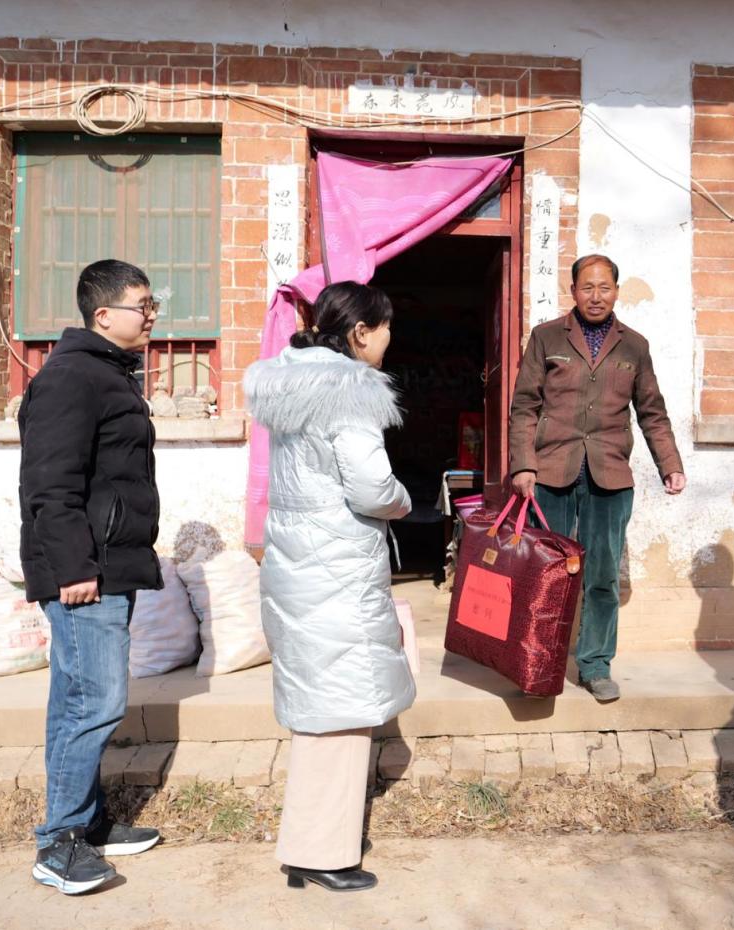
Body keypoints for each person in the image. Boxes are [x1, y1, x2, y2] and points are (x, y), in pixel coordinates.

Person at [244, 281, 414, 894]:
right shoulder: (350, 390)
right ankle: (320, 854)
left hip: (298, 559)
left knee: (323, 706)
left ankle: (311, 847)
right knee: (341, 710)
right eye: (386, 328)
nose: (389, 341)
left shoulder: (289, 383)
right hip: (337, 564)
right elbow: (371, 487)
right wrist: (404, 501)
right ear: (360, 332)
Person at [19, 259, 164, 895]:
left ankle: (85, 822)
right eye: (142, 305)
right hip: (87, 572)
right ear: (104, 315)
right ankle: (60, 845)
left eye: (153, 304)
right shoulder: (72, 377)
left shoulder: (104, 373)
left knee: (76, 701)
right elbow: (49, 485)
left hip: (105, 564)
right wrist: (75, 567)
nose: (152, 315)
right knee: (94, 704)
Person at [507, 254, 685, 702]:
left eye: (605, 287)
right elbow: (524, 405)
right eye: (587, 287)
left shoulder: (634, 346)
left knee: (602, 576)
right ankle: (538, 663)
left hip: (609, 475)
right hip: (551, 472)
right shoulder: (547, 337)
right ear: (573, 291)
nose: (596, 296)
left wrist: (670, 464)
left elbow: (652, 412)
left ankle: (595, 665)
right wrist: (523, 464)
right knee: (545, 574)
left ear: (617, 292)